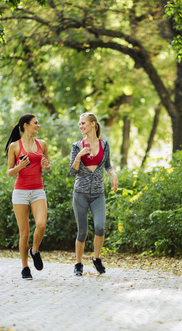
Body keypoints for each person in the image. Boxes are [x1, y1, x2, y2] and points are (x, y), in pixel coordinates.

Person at [69, 112, 118, 276]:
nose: (80, 126)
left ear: (92, 124)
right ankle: (78, 263)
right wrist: (79, 156)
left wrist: (113, 175)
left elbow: (108, 165)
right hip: (80, 193)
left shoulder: (104, 145)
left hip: (98, 194)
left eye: (83, 123)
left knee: (100, 227)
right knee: (82, 231)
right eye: (79, 124)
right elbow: (71, 171)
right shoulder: (77, 145)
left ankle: (96, 259)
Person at [5, 114, 51, 280]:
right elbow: (10, 172)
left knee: (41, 224)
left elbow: (47, 166)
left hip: (38, 190)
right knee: (24, 233)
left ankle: (35, 250)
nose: (38, 126)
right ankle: (25, 267)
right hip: (21, 192)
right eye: (35, 123)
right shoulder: (15, 146)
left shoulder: (42, 144)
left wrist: (46, 166)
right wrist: (20, 166)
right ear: (26, 125)